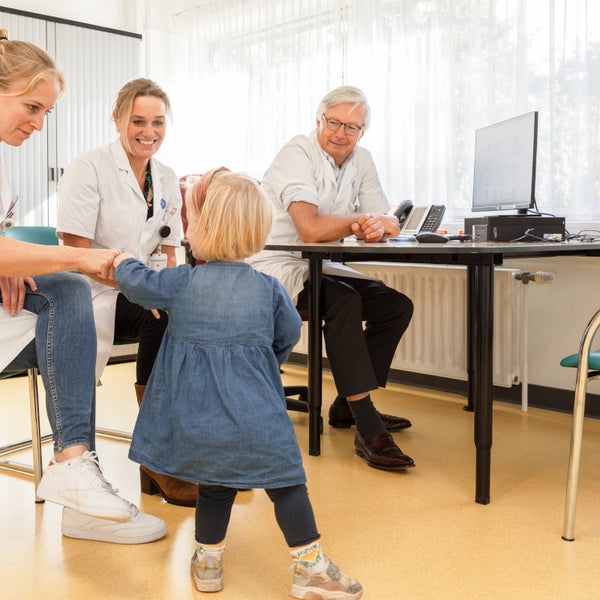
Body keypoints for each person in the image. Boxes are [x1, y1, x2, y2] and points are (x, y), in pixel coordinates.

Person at [111, 169, 362, 598]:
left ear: (201, 230)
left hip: (200, 418)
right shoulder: (269, 289)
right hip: (259, 414)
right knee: (287, 485)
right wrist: (258, 365)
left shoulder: (181, 283)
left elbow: (139, 284)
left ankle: (208, 562)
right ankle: (311, 569)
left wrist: (121, 261)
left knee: (214, 484)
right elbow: (285, 337)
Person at [0, 28, 166, 544]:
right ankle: (77, 473)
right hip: (100, 286)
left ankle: (113, 461)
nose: (38, 123)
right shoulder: (88, 166)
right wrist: (83, 257)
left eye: (45, 112)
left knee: (169, 312)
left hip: (110, 285)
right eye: (31, 107)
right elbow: (62, 247)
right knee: (71, 289)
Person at [248, 85, 416, 471]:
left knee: (395, 305)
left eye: (353, 127)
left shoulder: (363, 160)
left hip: (318, 264)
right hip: (276, 264)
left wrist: (381, 224)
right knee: (344, 301)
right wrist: (362, 222)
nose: (342, 133)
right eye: (335, 122)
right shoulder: (297, 153)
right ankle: (368, 424)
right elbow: (308, 228)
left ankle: (346, 406)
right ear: (319, 121)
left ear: (362, 133)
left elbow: (384, 217)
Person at [57, 78, 197, 506]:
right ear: (117, 119)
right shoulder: (90, 166)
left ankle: (190, 449)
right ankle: (157, 454)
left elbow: (170, 248)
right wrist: (144, 290)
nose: (148, 131)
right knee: (164, 320)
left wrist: (171, 290)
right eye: (138, 121)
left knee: (188, 316)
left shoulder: (167, 176)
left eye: (157, 122)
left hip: (143, 289)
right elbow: (74, 249)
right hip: (92, 292)